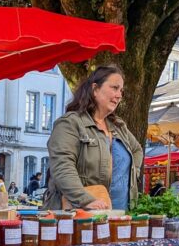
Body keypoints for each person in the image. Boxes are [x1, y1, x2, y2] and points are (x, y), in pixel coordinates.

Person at [45, 64, 143, 211]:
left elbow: (137, 150)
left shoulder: (118, 126)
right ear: (95, 89)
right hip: (80, 214)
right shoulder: (70, 123)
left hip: (119, 214)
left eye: (121, 91)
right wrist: (84, 199)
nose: (119, 95)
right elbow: (62, 166)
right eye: (114, 88)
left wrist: (131, 175)